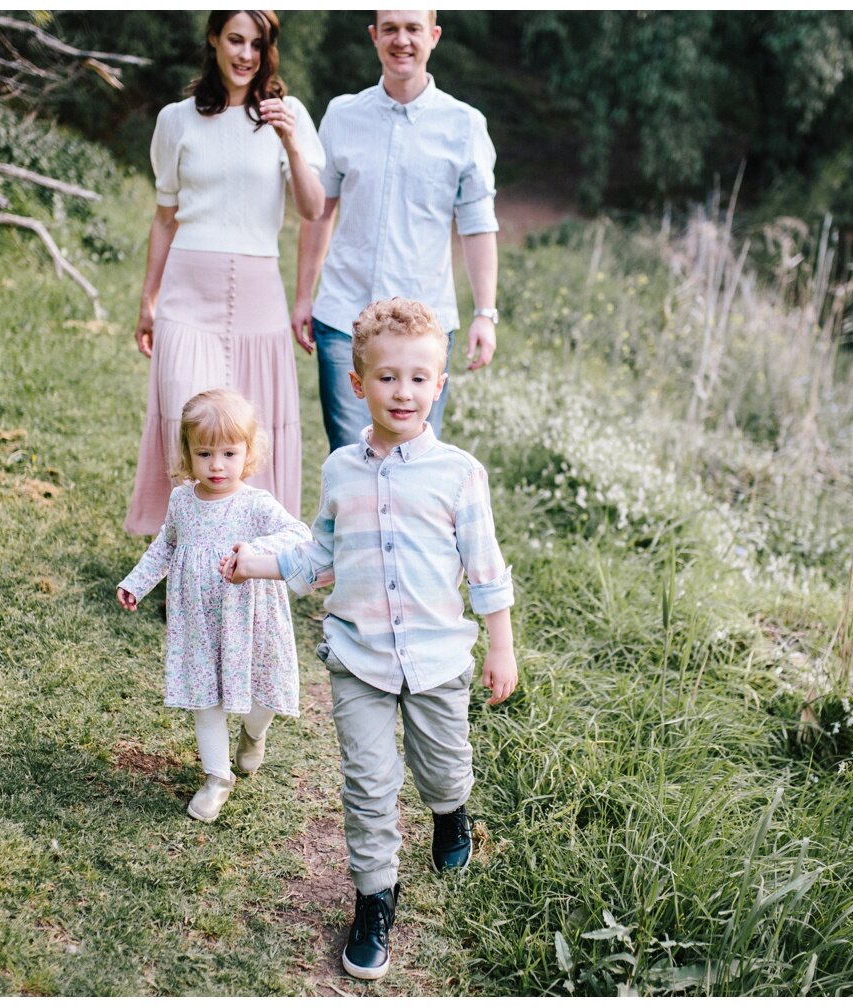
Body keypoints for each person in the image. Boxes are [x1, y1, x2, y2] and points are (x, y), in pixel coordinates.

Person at [222, 298, 517, 980]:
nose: (403, 391)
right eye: (387, 377)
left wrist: (500, 645)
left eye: (419, 378)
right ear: (358, 384)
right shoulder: (340, 473)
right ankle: (374, 895)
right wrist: (255, 561)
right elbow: (318, 555)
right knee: (368, 781)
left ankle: (451, 813)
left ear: (439, 385)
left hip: (440, 659)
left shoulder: (459, 475)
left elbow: (486, 567)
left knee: (441, 765)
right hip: (359, 658)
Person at [125, 10, 325, 536]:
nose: (245, 55)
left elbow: (312, 208)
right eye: (235, 40)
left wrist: (290, 144)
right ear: (213, 39)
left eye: (256, 45)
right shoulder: (177, 119)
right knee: (189, 418)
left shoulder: (290, 115)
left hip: (258, 293)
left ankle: (251, 554)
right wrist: (148, 299)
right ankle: (186, 555)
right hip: (187, 292)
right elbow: (165, 217)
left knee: (248, 429)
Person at [291, 9, 501, 453]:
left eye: (412, 29)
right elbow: (319, 212)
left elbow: (478, 226)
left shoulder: (465, 125)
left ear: (434, 36)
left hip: (425, 325)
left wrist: (486, 312)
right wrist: (304, 295)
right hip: (344, 314)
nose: (401, 40)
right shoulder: (342, 115)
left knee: (413, 458)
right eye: (390, 29)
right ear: (374, 36)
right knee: (351, 455)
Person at [118, 388, 311, 822]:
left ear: (248, 451)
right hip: (198, 624)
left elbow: (299, 535)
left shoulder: (254, 504)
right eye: (204, 453)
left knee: (264, 697)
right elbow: (165, 547)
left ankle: (253, 731)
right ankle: (216, 777)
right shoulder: (183, 500)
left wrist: (256, 549)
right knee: (206, 700)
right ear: (187, 452)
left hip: (250, 620)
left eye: (229, 453)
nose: (217, 465)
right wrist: (137, 582)